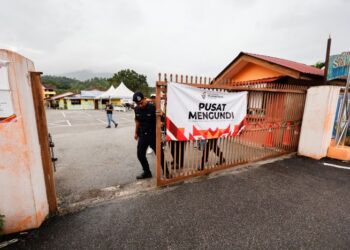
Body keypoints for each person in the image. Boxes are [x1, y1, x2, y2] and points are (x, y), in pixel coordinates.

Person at [133, 91, 165, 179]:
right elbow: (137, 121)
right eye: (138, 104)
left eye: (141, 103)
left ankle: (167, 172)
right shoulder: (136, 109)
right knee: (140, 154)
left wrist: (161, 115)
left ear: (145, 99)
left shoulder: (153, 107)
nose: (140, 105)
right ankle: (147, 172)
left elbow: (163, 119)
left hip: (153, 135)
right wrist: (135, 132)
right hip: (142, 135)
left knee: (160, 154)